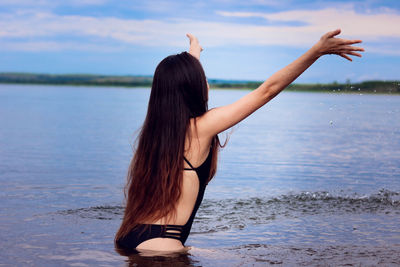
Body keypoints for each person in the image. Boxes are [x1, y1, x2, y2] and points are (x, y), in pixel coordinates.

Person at [115, 29, 364, 253]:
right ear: (193, 88)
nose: (207, 83)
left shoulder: (156, 134)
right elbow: (267, 90)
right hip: (162, 247)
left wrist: (195, 50)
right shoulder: (201, 127)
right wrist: (316, 52)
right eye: (203, 78)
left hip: (130, 238)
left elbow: (176, 83)